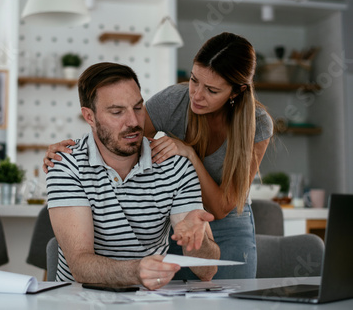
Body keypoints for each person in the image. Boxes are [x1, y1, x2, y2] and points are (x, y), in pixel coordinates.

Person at [44, 32, 273, 280]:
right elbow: (121, 137)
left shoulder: (256, 126)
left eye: (212, 90)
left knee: (229, 297)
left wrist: (190, 156)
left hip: (219, 218)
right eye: (194, 80)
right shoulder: (175, 101)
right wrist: (74, 151)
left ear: (236, 92)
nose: (196, 95)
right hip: (179, 219)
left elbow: (220, 210)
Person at [46, 62, 220, 290]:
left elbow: (206, 272)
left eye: (138, 108)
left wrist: (196, 243)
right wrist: (137, 271)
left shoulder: (176, 166)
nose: (134, 122)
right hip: (79, 301)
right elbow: (80, 266)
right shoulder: (66, 164)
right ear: (89, 117)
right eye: (117, 112)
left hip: (147, 302)